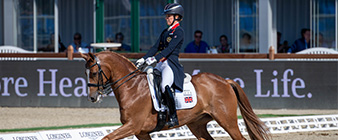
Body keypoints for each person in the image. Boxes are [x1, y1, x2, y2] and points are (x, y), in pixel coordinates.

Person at [135, 3, 184, 128]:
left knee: (164, 85)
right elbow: (155, 47)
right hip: (161, 63)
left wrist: (154, 58)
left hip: (170, 64)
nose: (166, 18)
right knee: (148, 81)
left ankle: (173, 117)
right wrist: (144, 58)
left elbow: (170, 49)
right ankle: (158, 110)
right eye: (166, 16)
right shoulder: (165, 32)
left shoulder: (179, 31)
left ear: (177, 17)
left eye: (169, 16)